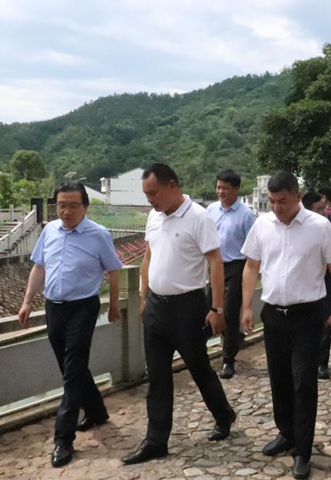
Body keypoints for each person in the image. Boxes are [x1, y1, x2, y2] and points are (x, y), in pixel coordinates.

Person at [123, 163, 236, 465]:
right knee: (157, 376)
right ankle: (156, 440)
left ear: (172, 186)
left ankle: (223, 414)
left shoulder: (198, 217)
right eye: (146, 195)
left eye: (154, 193)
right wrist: (144, 296)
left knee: (199, 369)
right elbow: (148, 256)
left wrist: (217, 308)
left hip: (188, 307)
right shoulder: (154, 216)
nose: (150, 200)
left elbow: (215, 262)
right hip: (156, 307)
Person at [240, 172, 331, 480]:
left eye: (282, 201)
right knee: (280, 378)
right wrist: (246, 306)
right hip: (274, 313)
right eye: (272, 201)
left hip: (307, 315)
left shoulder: (319, 226)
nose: (276, 207)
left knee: (303, 382)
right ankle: (286, 432)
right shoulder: (262, 225)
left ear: (298, 197)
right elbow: (251, 265)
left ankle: (302, 450)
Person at [18, 182, 124, 468]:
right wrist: (27, 302)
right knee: (70, 368)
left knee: (73, 371)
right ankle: (97, 411)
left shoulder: (98, 234)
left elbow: (114, 270)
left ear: (85, 206)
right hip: (54, 307)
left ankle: (63, 439)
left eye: (73, 206)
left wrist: (114, 305)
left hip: (83, 308)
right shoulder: (50, 231)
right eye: (61, 206)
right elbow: (39, 266)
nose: (66, 211)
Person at [206, 169, 256, 379]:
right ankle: (209, 351)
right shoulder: (211, 210)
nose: (220, 191)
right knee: (209, 308)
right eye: (218, 187)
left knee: (229, 312)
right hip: (214, 267)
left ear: (236, 189)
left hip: (236, 266)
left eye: (225, 188)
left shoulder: (246, 215)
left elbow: (253, 246)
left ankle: (228, 359)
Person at [302, 191, 331, 380]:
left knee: (324, 321)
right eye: (320, 209)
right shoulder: (297, 227)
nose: (325, 212)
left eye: (325, 207)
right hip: (304, 282)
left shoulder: (329, 225)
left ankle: (322, 362)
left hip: (326, 279)